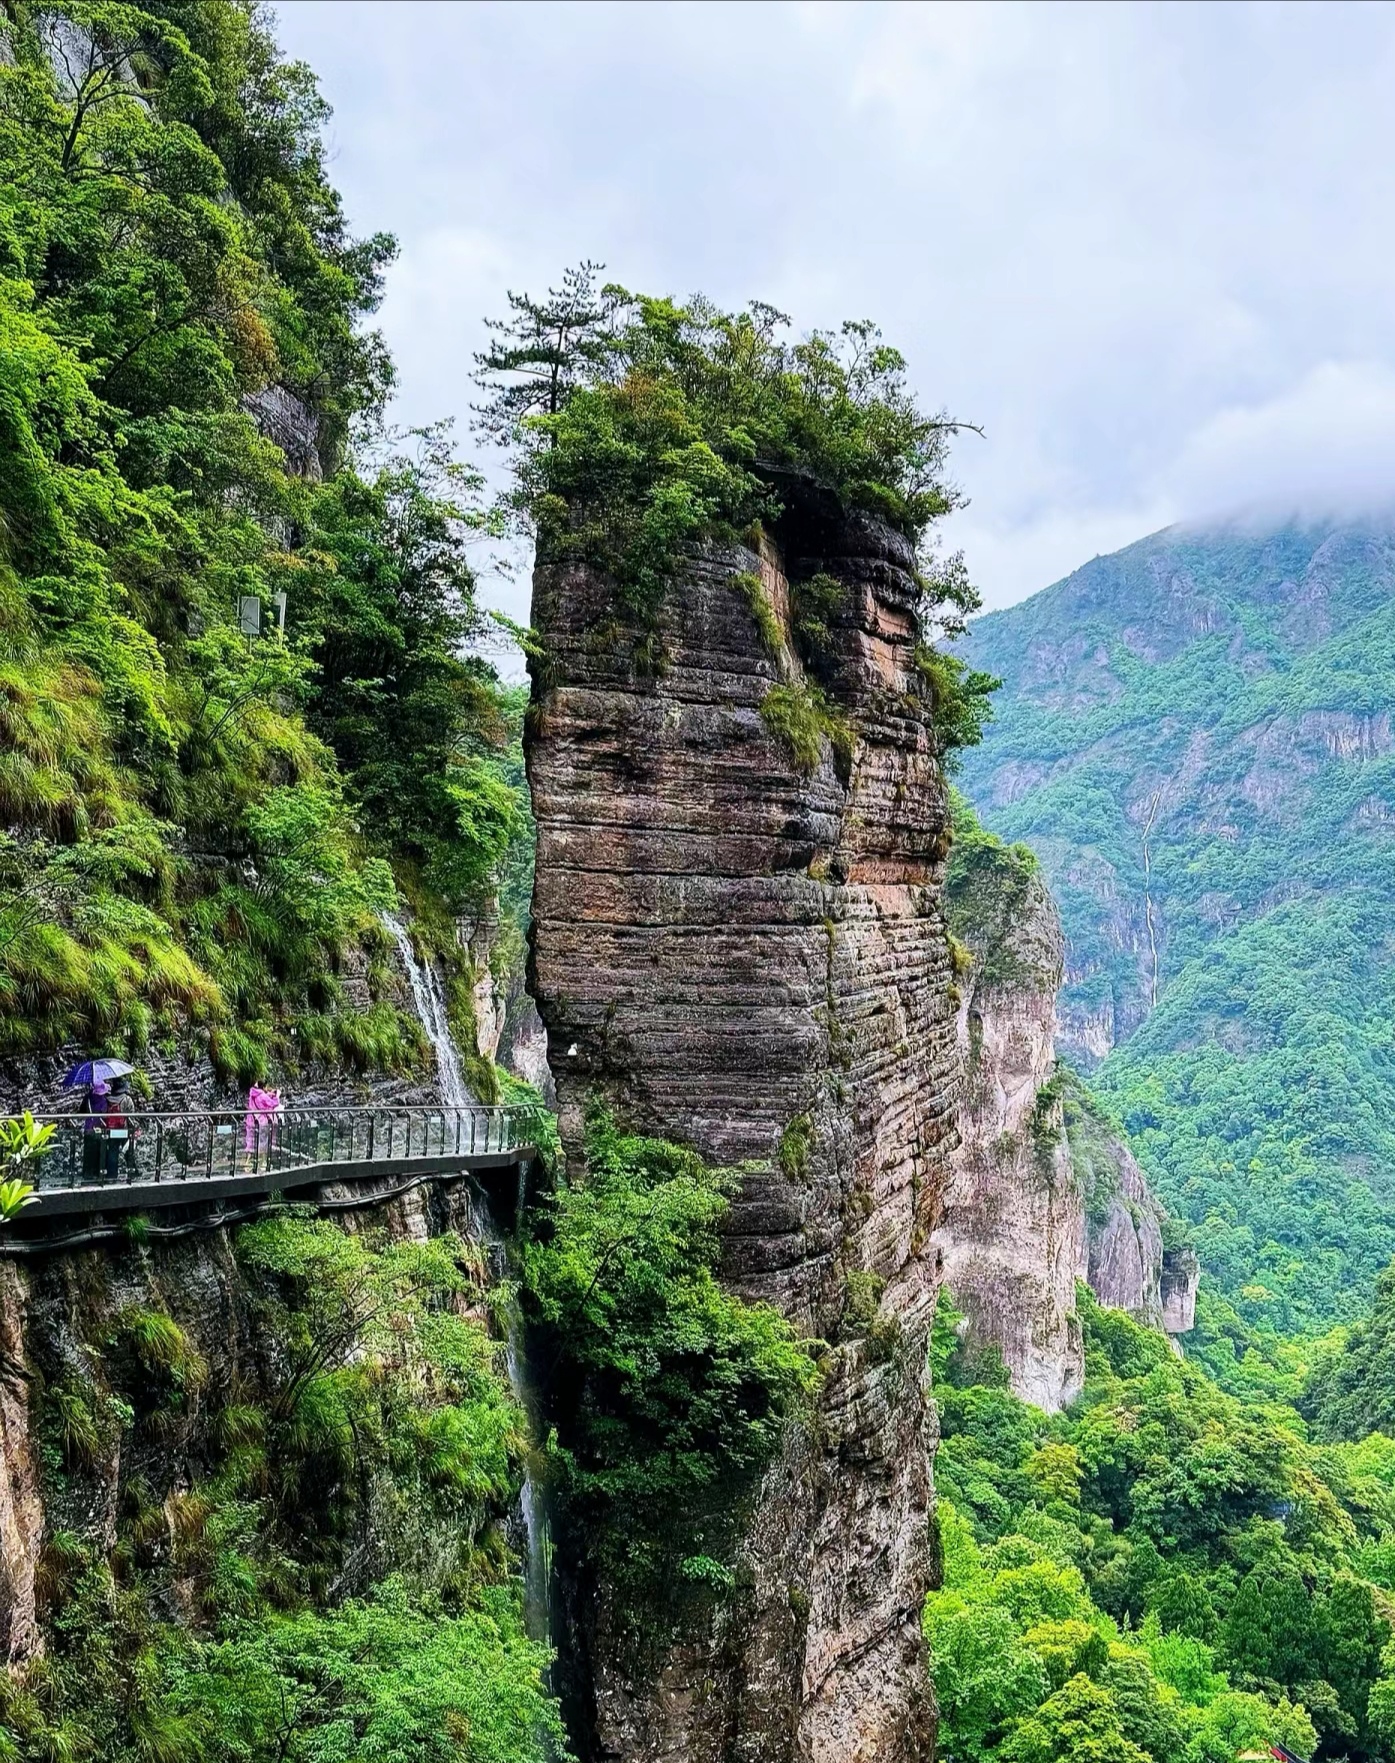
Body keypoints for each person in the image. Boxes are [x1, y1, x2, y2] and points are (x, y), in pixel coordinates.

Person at [82, 1079, 108, 1179]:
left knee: (88, 1153)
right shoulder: (103, 1100)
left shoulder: (88, 1098)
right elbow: (104, 1114)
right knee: (98, 1153)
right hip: (99, 1129)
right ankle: (97, 1175)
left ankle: (87, 1175)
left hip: (88, 1128)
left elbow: (82, 1111)